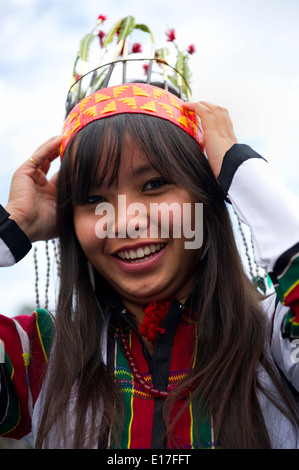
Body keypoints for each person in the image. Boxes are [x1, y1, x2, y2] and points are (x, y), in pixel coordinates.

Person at [0, 17, 298, 449]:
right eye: (94, 200)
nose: (125, 220)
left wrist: (244, 174)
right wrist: (11, 229)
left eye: (155, 184)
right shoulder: (39, 356)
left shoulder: (278, 342)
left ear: (208, 196)